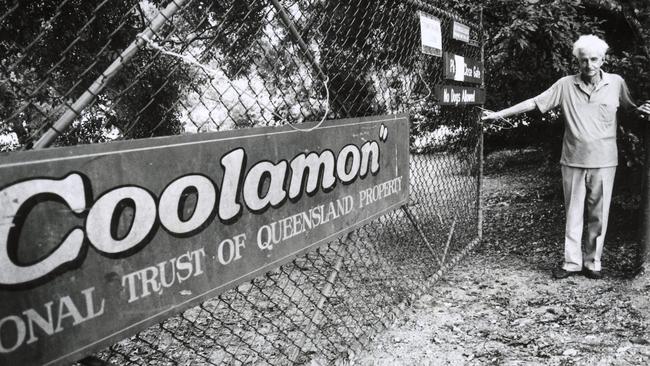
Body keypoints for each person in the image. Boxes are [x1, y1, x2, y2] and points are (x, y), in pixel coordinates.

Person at [482, 34, 650, 279]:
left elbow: (630, 110)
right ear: (577, 61)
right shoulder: (565, 85)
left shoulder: (616, 83)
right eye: (583, 60)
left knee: (598, 215)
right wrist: (497, 115)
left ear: (603, 59)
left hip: (605, 161)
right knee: (573, 214)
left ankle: (593, 263)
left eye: (594, 59)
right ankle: (571, 263)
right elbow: (533, 102)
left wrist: (644, 111)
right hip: (572, 160)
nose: (589, 65)